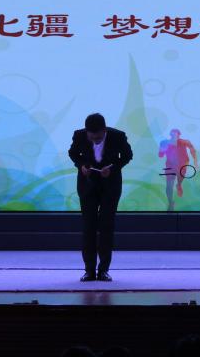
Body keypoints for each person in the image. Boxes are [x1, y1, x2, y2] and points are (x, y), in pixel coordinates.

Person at [68, 113, 134, 281]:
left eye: (98, 138)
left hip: (110, 187)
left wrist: (112, 168)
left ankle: (103, 270)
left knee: (106, 227)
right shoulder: (79, 135)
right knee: (88, 227)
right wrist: (82, 166)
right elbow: (73, 153)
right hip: (87, 186)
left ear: (104, 130)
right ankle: (89, 271)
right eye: (91, 137)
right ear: (86, 132)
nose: (95, 140)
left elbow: (127, 156)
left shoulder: (118, 136)